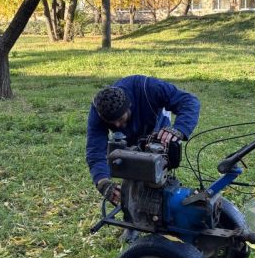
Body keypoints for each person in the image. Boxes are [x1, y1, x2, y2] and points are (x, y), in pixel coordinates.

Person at [86, 75, 201, 204]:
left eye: (120, 119)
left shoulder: (149, 88)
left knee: (157, 178)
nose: (117, 125)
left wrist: (179, 129)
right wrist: (102, 181)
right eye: (112, 123)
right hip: (130, 140)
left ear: (129, 106)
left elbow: (189, 101)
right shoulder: (99, 110)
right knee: (134, 186)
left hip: (158, 131)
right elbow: (95, 150)